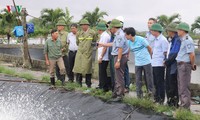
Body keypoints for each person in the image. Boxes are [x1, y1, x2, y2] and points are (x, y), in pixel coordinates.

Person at [98, 19, 129, 101]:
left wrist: (118, 61)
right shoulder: (118, 34)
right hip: (118, 56)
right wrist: (102, 44)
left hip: (120, 57)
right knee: (116, 76)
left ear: (114, 27)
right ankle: (116, 93)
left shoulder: (119, 35)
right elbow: (114, 44)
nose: (110, 30)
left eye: (110, 28)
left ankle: (120, 95)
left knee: (119, 77)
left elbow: (120, 49)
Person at [124, 27, 154, 99]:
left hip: (146, 62)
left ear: (130, 35)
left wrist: (150, 57)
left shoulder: (141, 39)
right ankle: (139, 96)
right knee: (138, 80)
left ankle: (150, 94)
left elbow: (149, 48)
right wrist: (127, 56)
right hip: (138, 63)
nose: (125, 36)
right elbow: (127, 49)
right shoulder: (129, 42)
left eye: (126, 35)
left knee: (149, 79)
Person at [176, 22, 196, 109]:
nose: (177, 31)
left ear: (183, 30)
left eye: (178, 29)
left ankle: (184, 108)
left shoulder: (188, 40)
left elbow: (192, 54)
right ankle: (182, 105)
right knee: (181, 86)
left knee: (184, 87)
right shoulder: (184, 39)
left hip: (184, 65)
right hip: (181, 65)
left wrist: (192, 64)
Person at [73, 19, 97, 88]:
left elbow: (94, 42)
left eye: (84, 25)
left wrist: (89, 49)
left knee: (88, 69)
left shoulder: (92, 33)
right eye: (81, 25)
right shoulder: (79, 33)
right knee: (78, 68)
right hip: (80, 53)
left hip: (88, 53)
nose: (83, 26)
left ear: (87, 25)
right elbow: (77, 42)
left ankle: (88, 84)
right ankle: (78, 83)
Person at [150, 23, 169, 104]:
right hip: (154, 63)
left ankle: (161, 99)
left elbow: (165, 52)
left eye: (152, 30)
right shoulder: (156, 39)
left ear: (156, 31)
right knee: (155, 82)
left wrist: (164, 62)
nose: (151, 32)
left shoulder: (163, 40)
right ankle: (156, 98)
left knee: (160, 82)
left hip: (159, 64)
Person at [164, 23, 181, 107]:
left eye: (168, 30)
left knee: (172, 84)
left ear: (171, 31)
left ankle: (173, 103)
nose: (167, 32)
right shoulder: (172, 39)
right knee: (168, 83)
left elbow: (174, 53)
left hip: (173, 65)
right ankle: (170, 102)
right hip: (170, 64)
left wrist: (167, 62)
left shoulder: (177, 40)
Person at [116, 16, 130, 92]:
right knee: (121, 73)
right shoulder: (118, 33)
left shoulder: (123, 33)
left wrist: (127, 54)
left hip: (123, 54)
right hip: (121, 54)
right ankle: (122, 87)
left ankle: (126, 86)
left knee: (125, 71)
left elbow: (126, 45)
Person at [96, 22, 111, 92]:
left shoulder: (105, 36)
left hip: (104, 57)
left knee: (102, 72)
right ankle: (102, 85)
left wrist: (101, 56)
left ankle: (104, 87)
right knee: (101, 72)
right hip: (102, 56)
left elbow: (105, 47)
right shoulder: (103, 35)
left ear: (100, 29)